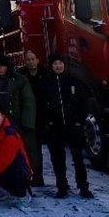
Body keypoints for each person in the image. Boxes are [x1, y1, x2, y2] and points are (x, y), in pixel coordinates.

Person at [42, 53, 94, 199]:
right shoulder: (46, 82)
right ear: (51, 66)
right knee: (58, 159)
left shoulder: (73, 81)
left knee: (78, 159)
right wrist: (48, 122)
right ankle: (62, 186)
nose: (58, 66)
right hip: (55, 127)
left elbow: (83, 103)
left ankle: (83, 186)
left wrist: (79, 122)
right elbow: (42, 104)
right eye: (55, 63)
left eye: (60, 63)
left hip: (74, 127)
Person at [0, 105, 32, 208]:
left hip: (18, 167)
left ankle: (23, 195)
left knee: (12, 172)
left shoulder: (10, 135)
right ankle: (3, 190)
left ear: (3, 116)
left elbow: (4, 162)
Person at [16, 50, 48, 187]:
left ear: (37, 60)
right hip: (29, 117)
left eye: (33, 59)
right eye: (28, 59)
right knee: (32, 148)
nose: (31, 62)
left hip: (45, 116)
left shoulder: (46, 74)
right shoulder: (21, 75)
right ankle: (35, 176)